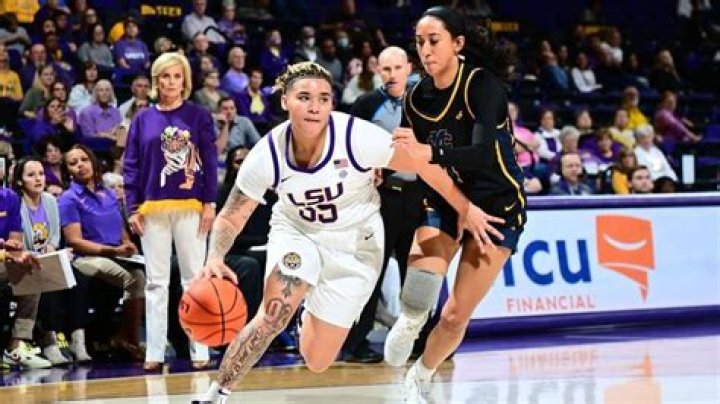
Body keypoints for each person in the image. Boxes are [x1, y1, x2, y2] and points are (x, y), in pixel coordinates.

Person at [192, 61, 500, 403]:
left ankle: (308, 311)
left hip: (356, 242)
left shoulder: (357, 137)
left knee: (317, 360)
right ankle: (215, 395)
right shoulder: (267, 153)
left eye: (323, 99)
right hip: (298, 232)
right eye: (304, 97)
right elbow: (232, 215)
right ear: (284, 101)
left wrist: (464, 207)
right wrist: (215, 257)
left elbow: (423, 165)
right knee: (273, 313)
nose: (314, 107)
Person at [381, 7, 527, 402]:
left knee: (454, 315)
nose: (425, 50)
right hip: (448, 195)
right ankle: (411, 319)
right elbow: (417, 164)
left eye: (434, 41)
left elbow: (482, 154)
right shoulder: (415, 98)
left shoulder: (483, 85)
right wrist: (460, 206)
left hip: (497, 205)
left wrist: (427, 152)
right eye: (419, 42)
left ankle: (421, 376)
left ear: (457, 43)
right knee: (420, 290)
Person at [123, 52, 218, 371]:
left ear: (185, 80)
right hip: (152, 208)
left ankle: (200, 349)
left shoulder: (198, 115)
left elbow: (209, 161)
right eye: (165, 76)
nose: (171, 82)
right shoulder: (142, 119)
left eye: (177, 76)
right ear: (156, 81)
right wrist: (132, 208)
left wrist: (210, 203)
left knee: (194, 280)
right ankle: (154, 351)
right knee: (156, 282)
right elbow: (131, 166)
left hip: (191, 206)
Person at [343, 46, 419, 363]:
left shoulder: (425, 102)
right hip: (381, 198)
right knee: (371, 271)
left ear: (409, 68)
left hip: (417, 196)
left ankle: (417, 341)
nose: (392, 74)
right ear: (378, 71)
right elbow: (348, 148)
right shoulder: (366, 104)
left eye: (397, 68)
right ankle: (355, 343)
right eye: (386, 69)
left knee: (416, 273)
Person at [59, 145, 146, 362]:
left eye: (84, 160)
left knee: (141, 276)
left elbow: (121, 230)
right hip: (86, 258)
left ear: (93, 161)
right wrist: (113, 250)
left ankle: (126, 337)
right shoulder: (69, 198)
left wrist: (127, 244)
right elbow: (74, 241)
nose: (80, 165)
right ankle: (129, 340)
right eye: (73, 163)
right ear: (68, 171)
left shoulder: (108, 194)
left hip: (115, 255)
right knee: (130, 279)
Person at [12, 157, 71, 365]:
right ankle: (49, 340)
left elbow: (54, 234)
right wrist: (37, 254)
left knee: (74, 276)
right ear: (20, 181)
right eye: (31, 175)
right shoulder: (15, 203)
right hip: (25, 259)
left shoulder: (50, 200)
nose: (38, 179)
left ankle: (70, 338)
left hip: (47, 257)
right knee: (42, 276)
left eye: (41, 174)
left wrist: (52, 247)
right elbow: (19, 242)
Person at [0, 187, 49, 369]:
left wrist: (15, 250)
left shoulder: (9, 197)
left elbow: (15, 238)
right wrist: (6, 253)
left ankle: (16, 347)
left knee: (31, 269)